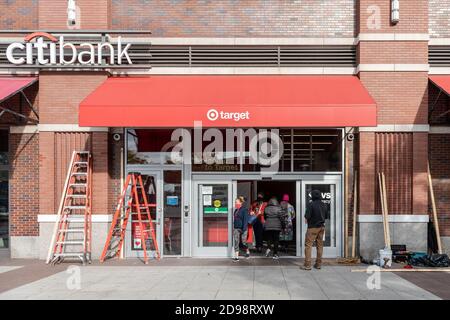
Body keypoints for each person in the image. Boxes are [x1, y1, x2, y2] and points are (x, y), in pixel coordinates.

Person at [302, 190, 329, 270]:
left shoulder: (311, 204)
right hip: (322, 227)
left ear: (313, 196)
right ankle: (318, 264)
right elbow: (326, 217)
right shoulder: (324, 205)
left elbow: (307, 216)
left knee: (308, 245)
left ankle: (307, 265)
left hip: (312, 227)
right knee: (320, 245)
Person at [232, 196, 250, 262]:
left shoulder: (244, 210)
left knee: (243, 242)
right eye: (235, 202)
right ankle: (236, 257)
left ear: (240, 203)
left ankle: (247, 251)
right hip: (236, 228)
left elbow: (245, 220)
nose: (235, 203)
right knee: (236, 241)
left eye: (236, 202)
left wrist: (244, 229)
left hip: (243, 228)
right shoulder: (236, 210)